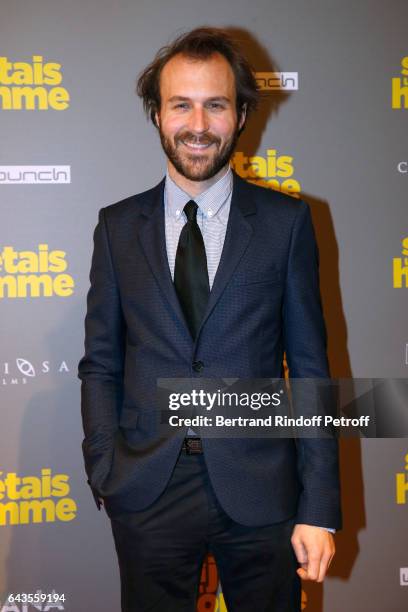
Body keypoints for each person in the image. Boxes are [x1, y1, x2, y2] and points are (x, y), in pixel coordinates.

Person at [78, 26, 341, 612]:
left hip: (262, 489)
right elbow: (100, 364)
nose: (198, 124)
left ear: (241, 113)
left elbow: (311, 371)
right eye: (181, 104)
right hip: (148, 489)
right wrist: (106, 468)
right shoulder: (117, 228)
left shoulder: (287, 224)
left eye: (216, 104)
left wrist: (318, 506)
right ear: (157, 114)